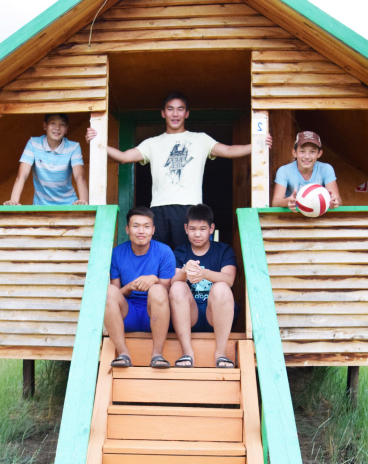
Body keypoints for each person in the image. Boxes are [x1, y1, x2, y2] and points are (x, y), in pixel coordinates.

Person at [86, 92, 271, 249]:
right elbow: (124, 157)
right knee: (159, 256)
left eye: (180, 109)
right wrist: (97, 142)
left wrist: (257, 145)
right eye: (170, 109)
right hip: (158, 208)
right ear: (163, 113)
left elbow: (228, 151)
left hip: (189, 207)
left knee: (185, 255)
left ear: (187, 113)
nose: (175, 114)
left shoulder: (201, 139)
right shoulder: (152, 143)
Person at [105, 206, 176, 368]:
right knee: (108, 291)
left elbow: (167, 291)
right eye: (136, 226)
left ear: (153, 230)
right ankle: (123, 353)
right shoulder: (117, 253)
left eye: (146, 226)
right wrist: (130, 287)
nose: (141, 231)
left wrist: (154, 280)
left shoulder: (164, 252)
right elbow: (116, 293)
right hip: (128, 314)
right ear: (127, 229)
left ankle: (157, 355)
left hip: (156, 314)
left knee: (158, 290)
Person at [169, 204, 238, 368]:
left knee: (221, 287)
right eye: (192, 229)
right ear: (186, 229)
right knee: (177, 287)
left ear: (211, 228)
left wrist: (205, 274)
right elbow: (172, 282)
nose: (197, 234)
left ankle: (221, 354)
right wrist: (184, 271)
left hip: (215, 314)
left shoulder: (224, 250)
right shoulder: (179, 253)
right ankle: (187, 353)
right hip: (189, 315)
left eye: (203, 229)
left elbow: (229, 280)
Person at [4, 113, 89, 206]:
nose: (57, 128)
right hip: (40, 205)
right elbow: (22, 176)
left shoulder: (73, 147)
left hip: (68, 204)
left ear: (66, 129)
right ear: (45, 125)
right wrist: (14, 201)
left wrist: (84, 202)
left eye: (62, 124)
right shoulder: (33, 143)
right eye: (53, 123)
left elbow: (80, 177)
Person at [271, 131, 342, 210]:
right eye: (302, 151)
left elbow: (338, 200)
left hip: (319, 215)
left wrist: (333, 202)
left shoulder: (326, 169)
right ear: (294, 152)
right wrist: (288, 201)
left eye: (312, 152)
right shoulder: (284, 171)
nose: (307, 156)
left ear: (319, 153)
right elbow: (275, 202)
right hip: (293, 215)